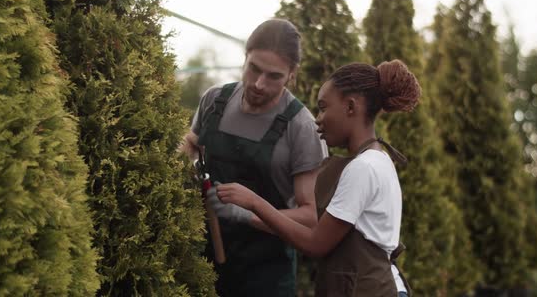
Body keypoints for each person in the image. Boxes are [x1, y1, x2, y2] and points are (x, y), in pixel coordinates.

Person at [214, 60, 420, 297]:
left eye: (323, 107)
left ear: (351, 107)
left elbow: (316, 243)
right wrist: (245, 215)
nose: (317, 119)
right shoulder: (378, 159)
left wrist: (254, 202)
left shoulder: (363, 168)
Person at [179, 18, 327, 297]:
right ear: (245, 58)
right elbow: (192, 144)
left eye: (274, 76)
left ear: (292, 74)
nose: (259, 84)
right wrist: (183, 164)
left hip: (265, 277)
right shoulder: (214, 101)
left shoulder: (301, 128)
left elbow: (310, 219)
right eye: (254, 69)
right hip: (204, 265)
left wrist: (245, 214)